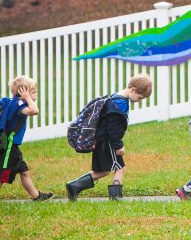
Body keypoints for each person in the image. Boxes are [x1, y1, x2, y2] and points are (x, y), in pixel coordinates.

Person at [65, 73, 152, 201]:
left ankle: (75, 185)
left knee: (105, 170)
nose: (139, 100)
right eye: (139, 97)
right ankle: (115, 197)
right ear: (133, 90)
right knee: (119, 168)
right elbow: (113, 129)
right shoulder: (119, 105)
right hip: (108, 142)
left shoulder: (115, 98)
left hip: (103, 140)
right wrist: (118, 145)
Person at [0, 76, 53, 203]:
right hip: (9, 148)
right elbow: (35, 110)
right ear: (23, 92)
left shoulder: (15, 103)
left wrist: (27, 97)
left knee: (24, 171)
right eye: (33, 91)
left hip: (12, 147)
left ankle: (36, 196)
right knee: (2, 177)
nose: (36, 93)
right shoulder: (19, 105)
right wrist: (27, 97)